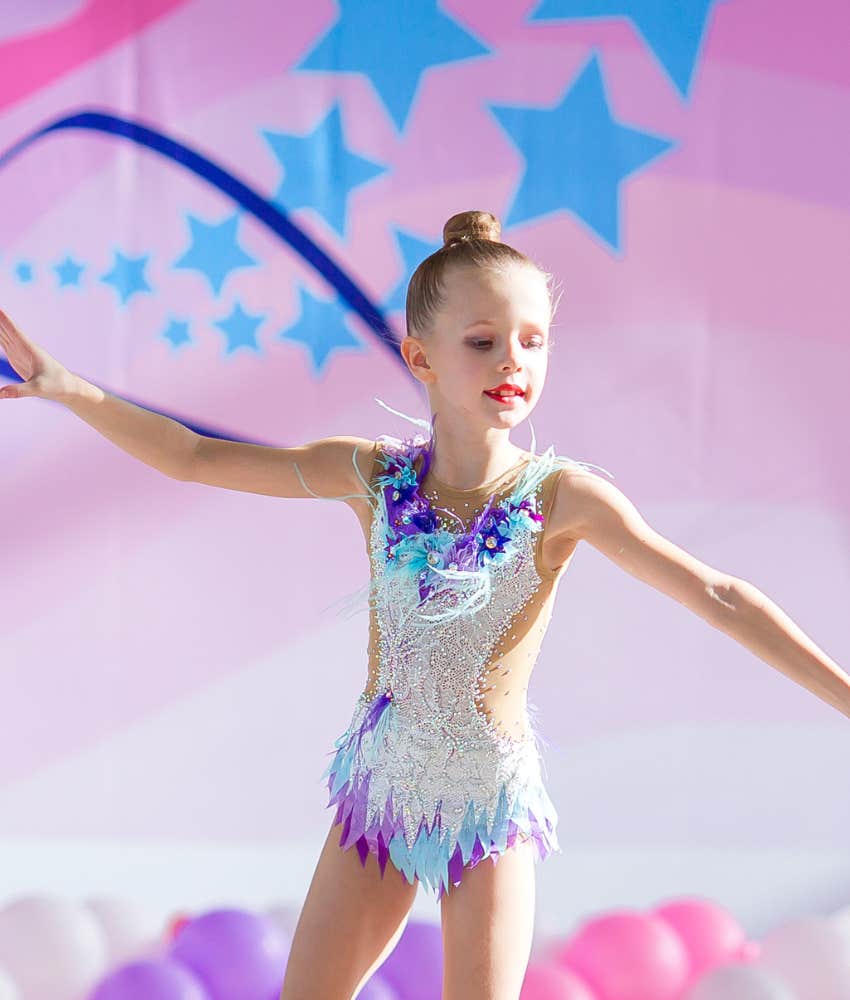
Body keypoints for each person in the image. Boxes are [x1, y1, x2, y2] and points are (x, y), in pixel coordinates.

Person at [1, 209, 847, 1000]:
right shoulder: (370, 477)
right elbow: (193, 457)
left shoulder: (563, 499)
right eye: (483, 342)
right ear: (422, 358)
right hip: (381, 793)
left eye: (533, 341)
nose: (512, 361)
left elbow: (719, 595)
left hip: (489, 806)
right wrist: (67, 387)